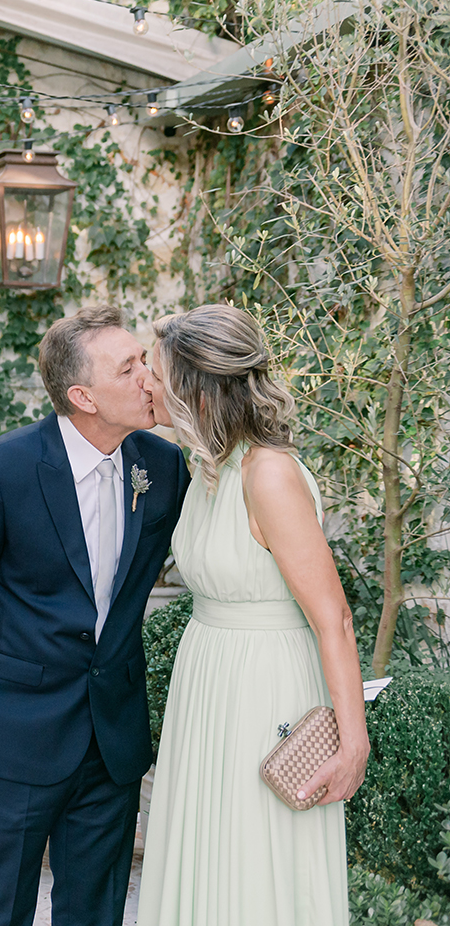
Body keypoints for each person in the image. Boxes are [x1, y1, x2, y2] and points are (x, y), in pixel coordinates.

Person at [0, 303, 189, 926]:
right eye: (129, 368)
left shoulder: (164, 466)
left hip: (112, 735)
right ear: (82, 396)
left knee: (96, 912)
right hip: (15, 733)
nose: (148, 378)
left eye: (144, 361)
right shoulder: (0, 469)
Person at [136, 305, 367, 926]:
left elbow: (334, 618)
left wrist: (353, 741)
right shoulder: (209, 467)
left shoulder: (268, 474)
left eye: (155, 373)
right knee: (209, 850)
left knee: (256, 854)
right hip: (208, 682)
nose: (145, 384)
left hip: (265, 688)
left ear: (197, 389)